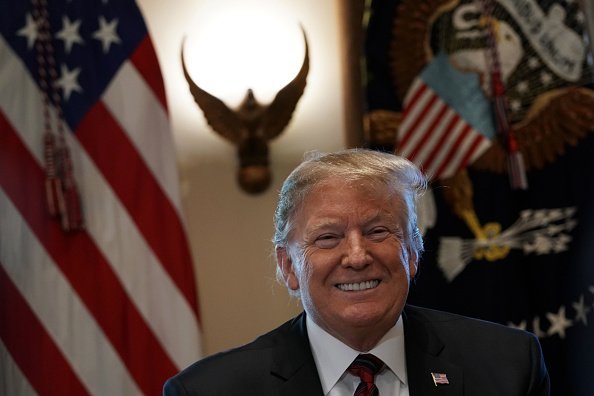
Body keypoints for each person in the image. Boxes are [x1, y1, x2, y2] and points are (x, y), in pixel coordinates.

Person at [163, 148, 550, 396]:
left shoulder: (508, 367)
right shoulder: (208, 391)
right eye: (328, 237)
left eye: (377, 231)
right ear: (288, 267)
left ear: (413, 253)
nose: (357, 255)